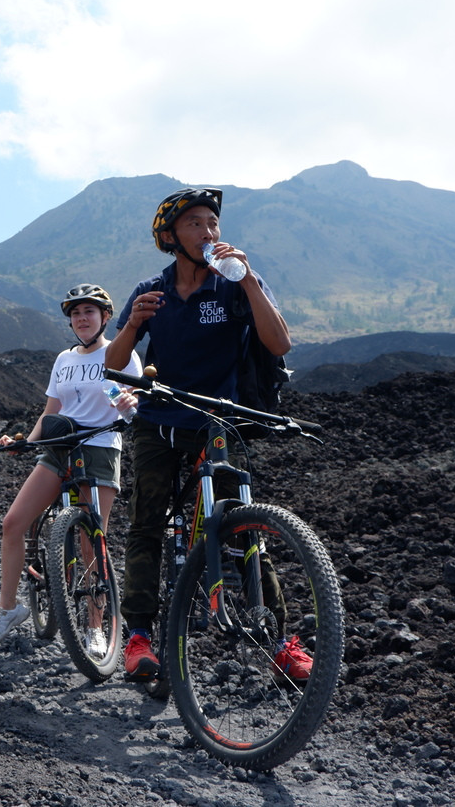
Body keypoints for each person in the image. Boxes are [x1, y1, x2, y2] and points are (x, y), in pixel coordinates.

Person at [104, 187, 312, 683]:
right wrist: (133, 325)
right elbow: (114, 366)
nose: (209, 232)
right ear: (171, 236)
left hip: (218, 421)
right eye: (196, 224)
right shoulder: (150, 290)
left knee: (239, 523)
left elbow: (279, 342)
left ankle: (278, 639)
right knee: (146, 524)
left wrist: (250, 283)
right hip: (160, 421)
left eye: (212, 224)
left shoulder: (235, 283)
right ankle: (137, 637)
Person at [0, 284, 141, 646]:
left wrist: (128, 403)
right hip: (58, 449)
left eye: (89, 312)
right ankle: (9, 609)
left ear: (104, 317)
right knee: (12, 523)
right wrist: (26, 442)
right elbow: (52, 411)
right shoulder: (64, 360)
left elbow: (130, 402)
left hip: (99, 448)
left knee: (91, 541)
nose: (81, 319)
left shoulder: (121, 353)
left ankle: (95, 626)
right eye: (75, 313)